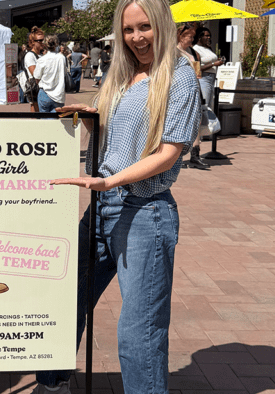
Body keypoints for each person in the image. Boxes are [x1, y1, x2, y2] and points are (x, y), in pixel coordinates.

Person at [35, 0, 200, 391]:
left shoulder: (179, 76)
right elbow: (118, 140)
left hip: (145, 211)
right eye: (128, 30)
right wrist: (93, 117)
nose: (137, 37)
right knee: (60, 302)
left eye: (145, 27)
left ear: (161, 24)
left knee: (138, 332)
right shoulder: (121, 73)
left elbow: (168, 153)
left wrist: (110, 182)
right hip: (102, 209)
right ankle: (53, 384)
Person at [177, 22, 209, 169]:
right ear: (180, 36)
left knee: (195, 122)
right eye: (189, 36)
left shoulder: (193, 52)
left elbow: (198, 73)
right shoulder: (173, 52)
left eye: (193, 36)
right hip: (179, 92)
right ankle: (177, 157)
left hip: (195, 90)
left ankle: (195, 155)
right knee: (180, 123)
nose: (192, 39)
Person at [33, 35, 67, 113]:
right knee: (56, 119)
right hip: (59, 93)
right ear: (57, 44)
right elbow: (64, 73)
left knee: (45, 119)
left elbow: (36, 76)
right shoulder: (61, 58)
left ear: (45, 45)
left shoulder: (42, 59)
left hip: (45, 92)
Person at [192, 27, 224, 109]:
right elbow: (197, 68)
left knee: (210, 104)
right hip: (203, 78)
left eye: (209, 35)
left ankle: (209, 121)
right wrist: (214, 64)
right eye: (206, 36)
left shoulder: (207, 48)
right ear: (200, 37)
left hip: (212, 78)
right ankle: (203, 121)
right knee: (205, 104)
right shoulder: (195, 49)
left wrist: (218, 61)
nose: (209, 37)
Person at [24, 26, 45, 112]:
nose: (42, 43)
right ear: (32, 42)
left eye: (43, 40)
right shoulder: (30, 56)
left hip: (42, 86)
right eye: (39, 41)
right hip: (35, 87)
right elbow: (34, 73)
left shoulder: (42, 55)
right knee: (35, 110)